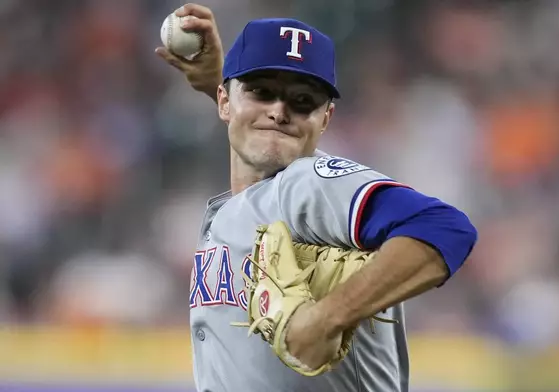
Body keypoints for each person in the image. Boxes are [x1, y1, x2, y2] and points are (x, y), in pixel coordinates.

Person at [156, 4, 478, 391]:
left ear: (325, 118)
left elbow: (443, 226)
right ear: (225, 101)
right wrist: (217, 82)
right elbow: (260, 135)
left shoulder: (309, 183)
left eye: (303, 101)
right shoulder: (244, 202)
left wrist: (328, 317)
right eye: (261, 91)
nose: (278, 111)